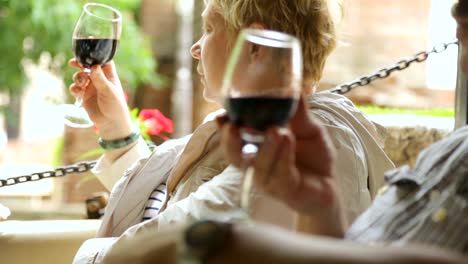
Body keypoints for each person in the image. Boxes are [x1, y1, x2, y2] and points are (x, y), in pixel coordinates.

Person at [90, 3, 468, 262]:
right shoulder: (249, 130)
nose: (194, 47)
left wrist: (84, 254)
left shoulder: (315, 137)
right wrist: (118, 133)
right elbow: (173, 204)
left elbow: (166, 243)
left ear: (254, 46)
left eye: (209, 28)